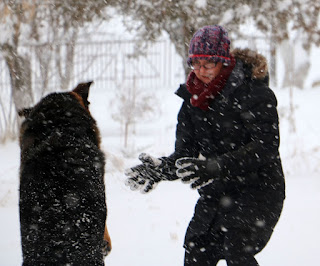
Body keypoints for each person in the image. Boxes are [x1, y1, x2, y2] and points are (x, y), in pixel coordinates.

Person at [125, 25, 285, 266]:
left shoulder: (254, 92)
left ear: (223, 61)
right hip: (217, 194)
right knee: (196, 249)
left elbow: (266, 146)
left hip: (260, 190)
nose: (201, 71)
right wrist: (160, 170)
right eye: (195, 64)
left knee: (237, 248)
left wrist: (216, 166)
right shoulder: (193, 100)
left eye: (208, 64)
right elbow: (185, 154)